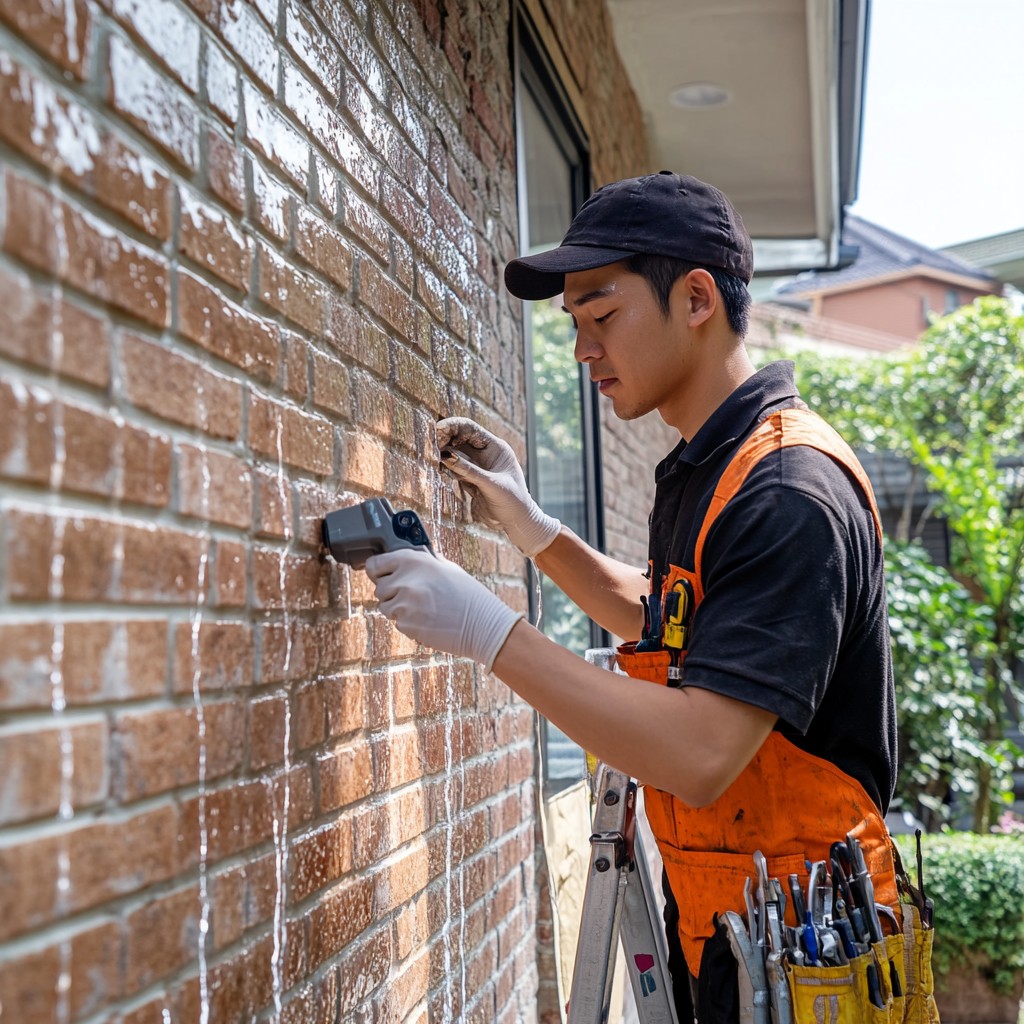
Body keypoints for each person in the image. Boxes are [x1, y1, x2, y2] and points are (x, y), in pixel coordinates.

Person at [365, 171, 901, 1021]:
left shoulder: (789, 490)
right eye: (574, 324)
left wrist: (489, 631)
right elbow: (677, 623)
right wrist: (536, 531)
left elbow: (700, 752)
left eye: (602, 315)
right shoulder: (711, 466)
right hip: (732, 929)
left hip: (812, 958)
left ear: (696, 299)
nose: (583, 351)